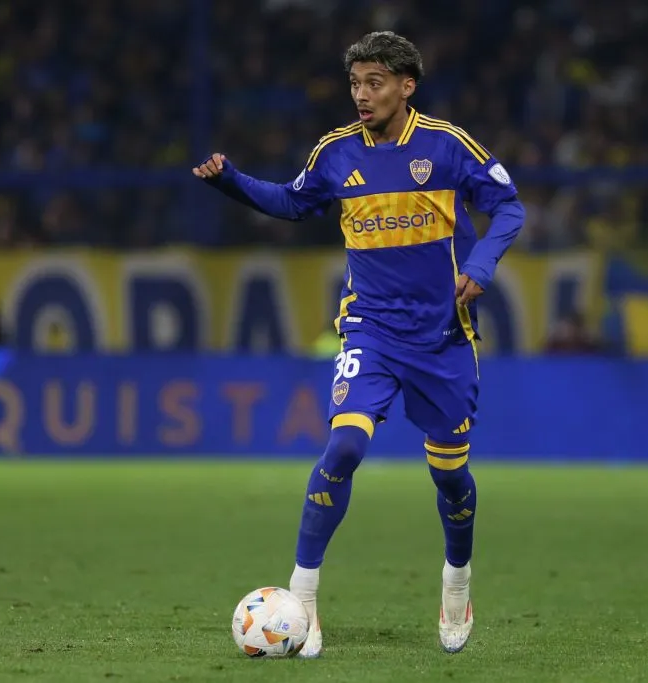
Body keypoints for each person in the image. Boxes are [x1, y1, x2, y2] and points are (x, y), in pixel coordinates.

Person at [194, 31, 524, 656]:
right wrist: (230, 181)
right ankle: (304, 601)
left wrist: (479, 268)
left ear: (407, 86)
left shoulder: (448, 147)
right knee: (343, 446)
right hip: (369, 329)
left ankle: (458, 584)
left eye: (375, 83)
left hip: (441, 338)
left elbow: (508, 208)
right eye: (355, 83)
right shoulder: (335, 152)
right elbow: (293, 204)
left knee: (450, 478)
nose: (362, 95)